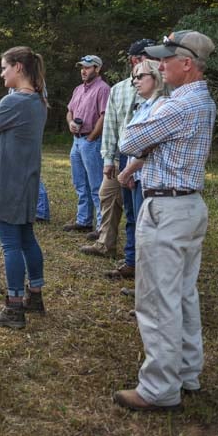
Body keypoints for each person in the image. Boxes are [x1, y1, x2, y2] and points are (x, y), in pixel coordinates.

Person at [114, 30, 216, 412]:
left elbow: (129, 140)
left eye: (165, 59)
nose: (158, 65)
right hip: (188, 206)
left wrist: (148, 120)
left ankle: (159, 388)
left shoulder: (177, 107)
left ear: (186, 64)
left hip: (166, 210)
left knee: (157, 298)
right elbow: (146, 141)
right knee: (184, 293)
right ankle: (187, 372)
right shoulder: (201, 101)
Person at [0, 47, 48, 329]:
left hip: (8, 181)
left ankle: (14, 307)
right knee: (26, 239)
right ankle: (35, 295)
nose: (2, 73)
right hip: (28, 180)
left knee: (10, 245)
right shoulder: (39, 101)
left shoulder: (13, 103)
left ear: (18, 67)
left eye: (4, 67)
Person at [80, 39, 153, 256]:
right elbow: (110, 125)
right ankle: (106, 244)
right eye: (149, 57)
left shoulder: (164, 88)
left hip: (146, 156)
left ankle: (134, 258)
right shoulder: (119, 89)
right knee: (107, 195)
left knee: (137, 210)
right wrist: (109, 159)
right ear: (135, 60)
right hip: (121, 154)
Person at [110, 59, 168, 280]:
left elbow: (147, 146)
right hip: (138, 174)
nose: (135, 81)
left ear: (156, 78)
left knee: (148, 234)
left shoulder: (160, 106)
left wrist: (128, 170)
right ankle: (138, 275)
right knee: (135, 224)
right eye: (134, 77)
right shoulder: (143, 105)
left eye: (140, 76)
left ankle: (148, 284)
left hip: (148, 178)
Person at [62, 55, 110, 234]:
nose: (83, 70)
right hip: (76, 141)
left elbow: (105, 116)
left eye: (88, 67)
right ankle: (84, 221)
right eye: (82, 67)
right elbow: (69, 111)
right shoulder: (78, 89)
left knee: (96, 184)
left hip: (92, 141)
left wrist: (91, 137)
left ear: (97, 69)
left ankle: (102, 227)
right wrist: (70, 123)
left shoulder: (103, 89)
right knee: (80, 182)